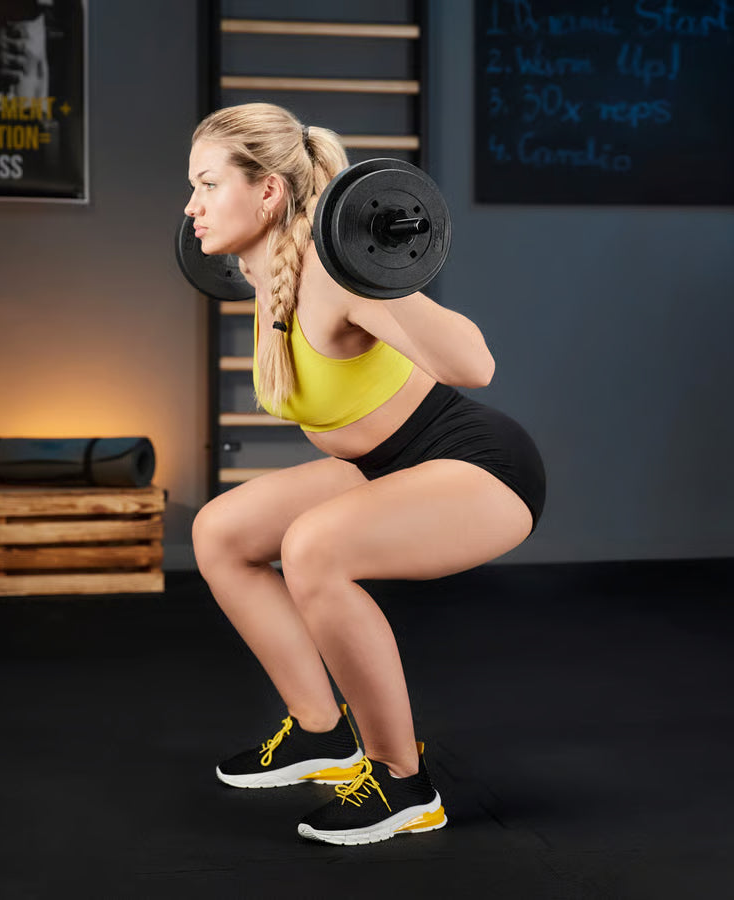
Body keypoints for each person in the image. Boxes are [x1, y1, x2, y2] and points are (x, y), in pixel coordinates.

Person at [186, 103, 546, 846]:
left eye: (206, 183)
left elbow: (475, 365)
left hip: (479, 465)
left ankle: (401, 781)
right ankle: (322, 735)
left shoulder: (330, 271)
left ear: (267, 194)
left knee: (315, 549)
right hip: (387, 465)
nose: (191, 206)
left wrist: (378, 267)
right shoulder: (266, 275)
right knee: (221, 531)